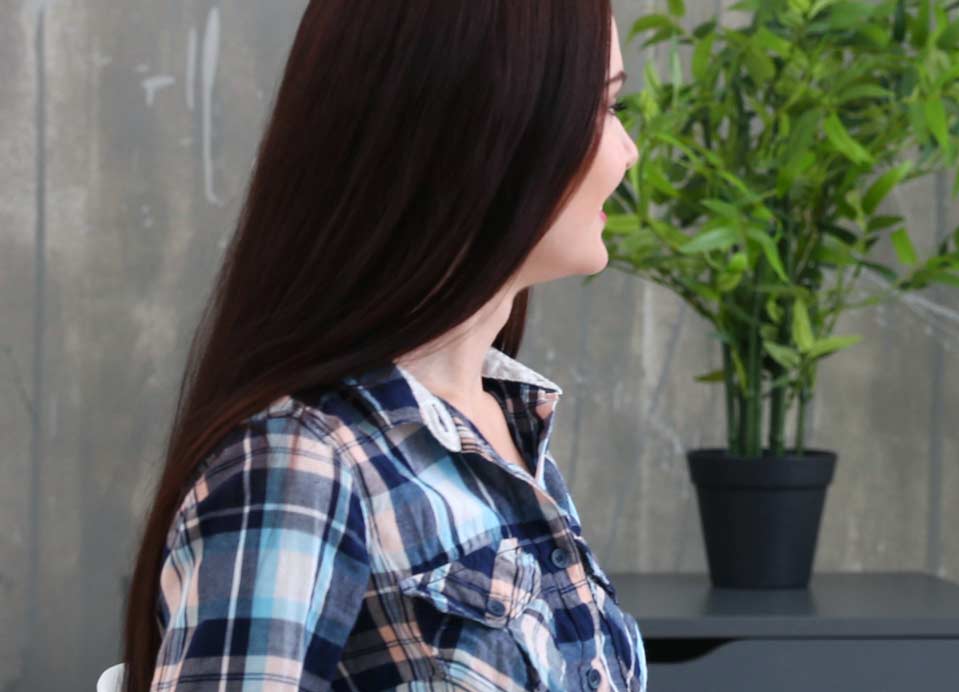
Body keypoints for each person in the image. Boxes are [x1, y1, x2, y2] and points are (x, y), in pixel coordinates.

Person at [119, 1, 641, 689]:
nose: (628, 150)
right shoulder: (302, 466)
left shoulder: (504, 421)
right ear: (486, 127)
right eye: (602, 109)